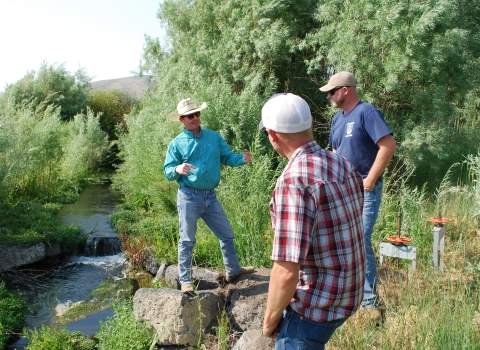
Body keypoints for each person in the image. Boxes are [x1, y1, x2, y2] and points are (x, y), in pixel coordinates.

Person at [260, 93, 366, 349]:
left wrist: (269, 322)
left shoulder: (294, 182)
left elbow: (286, 271)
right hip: (349, 296)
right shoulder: (343, 164)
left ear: (272, 134)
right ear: (310, 124)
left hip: (315, 308)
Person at [320, 71, 397, 312]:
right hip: (343, 190)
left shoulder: (366, 112)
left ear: (346, 90)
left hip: (365, 189)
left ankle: (369, 301)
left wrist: (370, 180)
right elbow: (336, 151)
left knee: (360, 240)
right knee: (344, 241)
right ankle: (347, 294)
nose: (330, 96)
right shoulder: (337, 120)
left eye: (332, 91)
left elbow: (388, 145)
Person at [164, 97, 254, 294]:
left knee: (227, 234)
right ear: (182, 119)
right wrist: (178, 168)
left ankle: (233, 271)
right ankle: (185, 280)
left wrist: (242, 159)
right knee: (187, 240)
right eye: (189, 116)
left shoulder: (214, 137)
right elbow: (168, 171)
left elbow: (228, 157)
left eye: (196, 114)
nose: (194, 118)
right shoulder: (176, 144)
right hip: (188, 196)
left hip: (210, 197)